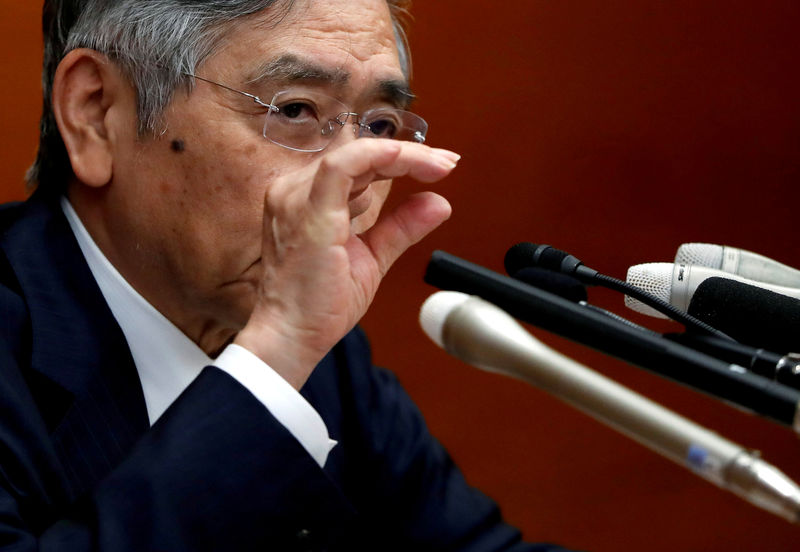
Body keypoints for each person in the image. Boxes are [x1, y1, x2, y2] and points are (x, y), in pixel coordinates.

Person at [0, 0, 575, 549]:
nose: (351, 186)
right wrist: (273, 359)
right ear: (98, 113)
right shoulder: (290, 344)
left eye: (378, 126)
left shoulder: (331, 367)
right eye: (296, 111)